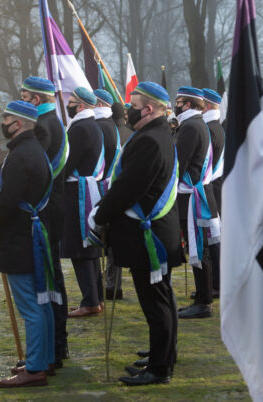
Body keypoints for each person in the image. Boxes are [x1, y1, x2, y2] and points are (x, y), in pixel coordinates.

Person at [90, 81, 180, 386]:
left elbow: (128, 188)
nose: (128, 109)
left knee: (156, 303)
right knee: (162, 300)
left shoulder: (150, 141)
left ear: (149, 109)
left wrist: (99, 215)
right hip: (156, 233)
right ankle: (162, 354)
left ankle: (159, 368)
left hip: (149, 238)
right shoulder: (156, 135)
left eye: (133, 104)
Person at [0, 101, 57, 387]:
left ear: (19, 124)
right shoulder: (30, 149)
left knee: (31, 306)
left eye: (7, 118)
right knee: (41, 303)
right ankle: (43, 358)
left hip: (21, 238)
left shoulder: (22, 154)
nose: (3, 122)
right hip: (30, 235)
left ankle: (35, 368)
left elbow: (8, 202)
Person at [20, 76, 70, 366]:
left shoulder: (42, 127)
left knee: (50, 278)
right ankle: (57, 345)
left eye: (24, 96)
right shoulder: (53, 121)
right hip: (53, 208)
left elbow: (30, 166)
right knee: (52, 277)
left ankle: (55, 345)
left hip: (46, 210)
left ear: (35, 100)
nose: (21, 102)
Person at [175, 86, 218, 319]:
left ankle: (203, 301)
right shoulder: (197, 124)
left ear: (188, 104)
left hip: (192, 196)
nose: (176, 105)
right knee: (200, 249)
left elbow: (179, 162)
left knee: (198, 249)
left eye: (179, 101)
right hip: (197, 194)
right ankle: (203, 296)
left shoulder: (191, 127)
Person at [61, 87, 105, 317]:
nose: (67, 105)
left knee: (81, 248)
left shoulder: (80, 128)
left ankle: (90, 301)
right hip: (87, 188)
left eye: (70, 102)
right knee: (88, 247)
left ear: (80, 106)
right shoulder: (91, 125)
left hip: (78, 192)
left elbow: (68, 162)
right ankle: (95, 297)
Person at [93, 89, 123, 300]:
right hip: (108, 183)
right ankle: (113, 283)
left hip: (103, 185)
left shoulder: (101, 127)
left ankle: (112, 285)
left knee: (108, 239)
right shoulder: (109, 125)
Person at [201, 88, 224, 296]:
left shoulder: (208, 129)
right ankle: (214, 283)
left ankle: (215, 284)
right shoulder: (216, 127)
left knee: (213, 240)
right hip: (216, 187)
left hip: (210, 187)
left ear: (207, 106)